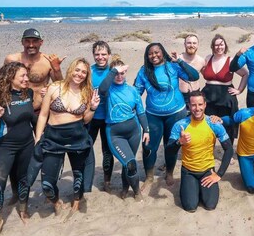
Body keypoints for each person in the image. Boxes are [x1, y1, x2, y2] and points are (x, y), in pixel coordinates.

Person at [30, 58, 100, 217]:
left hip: (77, 137)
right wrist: (38, 137)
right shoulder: (55, 87)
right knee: (47, 182)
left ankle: (76, 200)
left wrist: (93, 108)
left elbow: (86, 119)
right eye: (77, 70)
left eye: (83, 72)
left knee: (78, 176)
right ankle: (56, 201)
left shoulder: (87, 91)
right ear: (71, 70)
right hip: (53, 137)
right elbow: (43, 114)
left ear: (87, 75)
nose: (79, 74)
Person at [134, 42, 200, 188]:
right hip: (153, 116)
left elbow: (195, 76)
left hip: (176, 114)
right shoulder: (144, 71)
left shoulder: (173, 66)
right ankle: (149, 176)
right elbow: (137, 92)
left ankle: (169, 172)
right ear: (147, 56)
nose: (154, 55)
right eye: (150, 53)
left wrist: (180, 61)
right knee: (148, 146)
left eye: (157, 52)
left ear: (163, 53)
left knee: (171, 145)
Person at [0, 62, 35, 233]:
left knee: (24, 179)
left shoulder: (28, 93)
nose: (26, 78)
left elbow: (33, 119)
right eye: (22, 76)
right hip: (6, 147)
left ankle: (23, 210)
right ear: (10, 78)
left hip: (27, 144)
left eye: (26, 75)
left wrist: (40, 139)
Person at [166, 91, 234, 212]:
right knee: (190, 207)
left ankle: (199, 188)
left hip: (207, 170)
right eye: (193, 105)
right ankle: (190, 186)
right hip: (189, 171)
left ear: (205, 105)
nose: (197, 108)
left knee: (210, 205)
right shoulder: (180, 125)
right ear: (189, 106)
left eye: (200, 104)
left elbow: (228, 149)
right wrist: (179, 142)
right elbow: (169, 151)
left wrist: (219, 175)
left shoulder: (213, 124)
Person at [99, 59, 150, 200]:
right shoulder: (108, 90)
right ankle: (137, 192)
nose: (119, 76)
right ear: (111, 74)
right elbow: (102, 88)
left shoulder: (133, 90)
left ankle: (125, 187)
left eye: (122, 73)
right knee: (130, 163)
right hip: (115, 134)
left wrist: (146, 130)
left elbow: (141, 112)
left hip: (134, 132)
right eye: (116, 73)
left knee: (129, 162)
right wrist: (114, 70)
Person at [4, 28, 65, 112]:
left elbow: (60, 86)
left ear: (41, 42)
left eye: (35, 41)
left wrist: (57, 69)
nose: (31, 45)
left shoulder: (48, 61)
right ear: (22, 42)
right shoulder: (11, 59)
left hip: (39, 110)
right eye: (27, 41)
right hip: (16, 109)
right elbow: (3, 84)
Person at [201, 34, 247, 143]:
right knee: (208, 124)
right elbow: (201, 71)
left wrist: (239, 90)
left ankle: (228, 152)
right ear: (212, 47)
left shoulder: (230, 60)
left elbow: (245, 74)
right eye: (216, 45)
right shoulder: (208, 58)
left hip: (226, 98)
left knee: (228, 125)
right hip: (208, 96)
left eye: (221, 44)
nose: (219, 47)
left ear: (225, 46)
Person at [88, 40, 113, 191]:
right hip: (90, 118)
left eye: (103, 54)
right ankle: (86, 178)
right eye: (97, 54)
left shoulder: (114, 71)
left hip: (108, 119)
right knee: (86, 148)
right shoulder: (88, 71)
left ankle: (107, 181)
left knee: (107, 150)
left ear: (109, 55)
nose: (100, 57)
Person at [177, 34, 207, 106]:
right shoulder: (177, 60)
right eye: (189, 43)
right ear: (184, 44)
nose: (191, 45)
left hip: (195, 95)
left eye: (194, 43)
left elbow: (207, 76)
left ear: (198, 45)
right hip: (180, 96)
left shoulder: (201, 61)